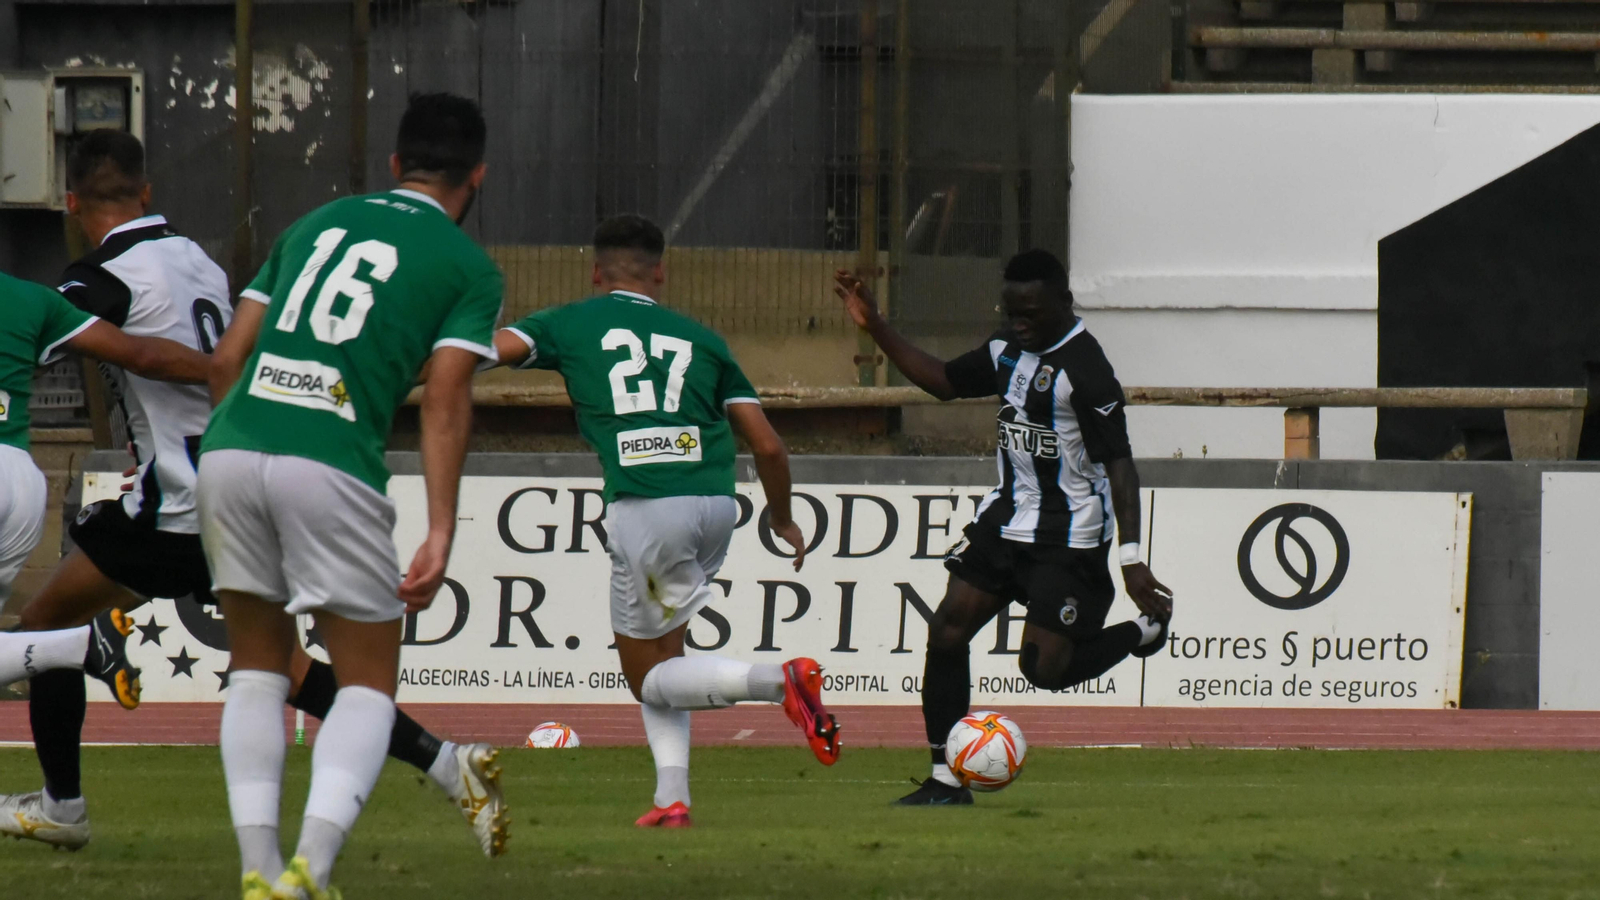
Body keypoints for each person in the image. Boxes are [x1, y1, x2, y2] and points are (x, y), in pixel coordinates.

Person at [0, 129, 507, 858]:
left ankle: (62, 806)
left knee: (44, 632)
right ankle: (445, 760)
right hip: (239, 472)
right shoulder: (197, 259)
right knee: (288, 670)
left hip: (177, 500)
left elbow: (99, 336)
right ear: (146, 193)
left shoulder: (98, 277)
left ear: (73, 202)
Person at [199, 92, 502, 899]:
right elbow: (444, 396)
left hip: (230, 449)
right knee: (367, 684)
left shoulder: (312, 224)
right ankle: (312, 871)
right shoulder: (469, 266)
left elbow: (228, 360)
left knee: (258, 670)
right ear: (476, 178)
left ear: (396, 165)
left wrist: (237, 439)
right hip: (330, 459)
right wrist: (441, 528)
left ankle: (257, 871)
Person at [487, 214, 840, 828]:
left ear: (597, 272)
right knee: (669, 658)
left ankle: (780, 682)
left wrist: (389, 368)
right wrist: (782, 520)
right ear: (661, 273)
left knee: (647, 679)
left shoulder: (568, 322)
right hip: (716, 508)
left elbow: (483, 354)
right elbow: (770, 447)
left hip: (647, 508)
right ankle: (671, 798)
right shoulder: (703, 340)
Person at [834, 249, 1174, 805]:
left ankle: (1144, 631)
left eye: (1030, 313)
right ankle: (946, 781)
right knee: (946, 630)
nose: (1019, 323)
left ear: (1064, 302)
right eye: (1011, 311)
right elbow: (944, 382)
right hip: (1005, 520)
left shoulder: (1087, 371)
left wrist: (1131, 559)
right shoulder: (1005, 349)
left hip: (1068, 537)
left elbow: (1121, 466)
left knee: (1044, 669)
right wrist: (876, 326)